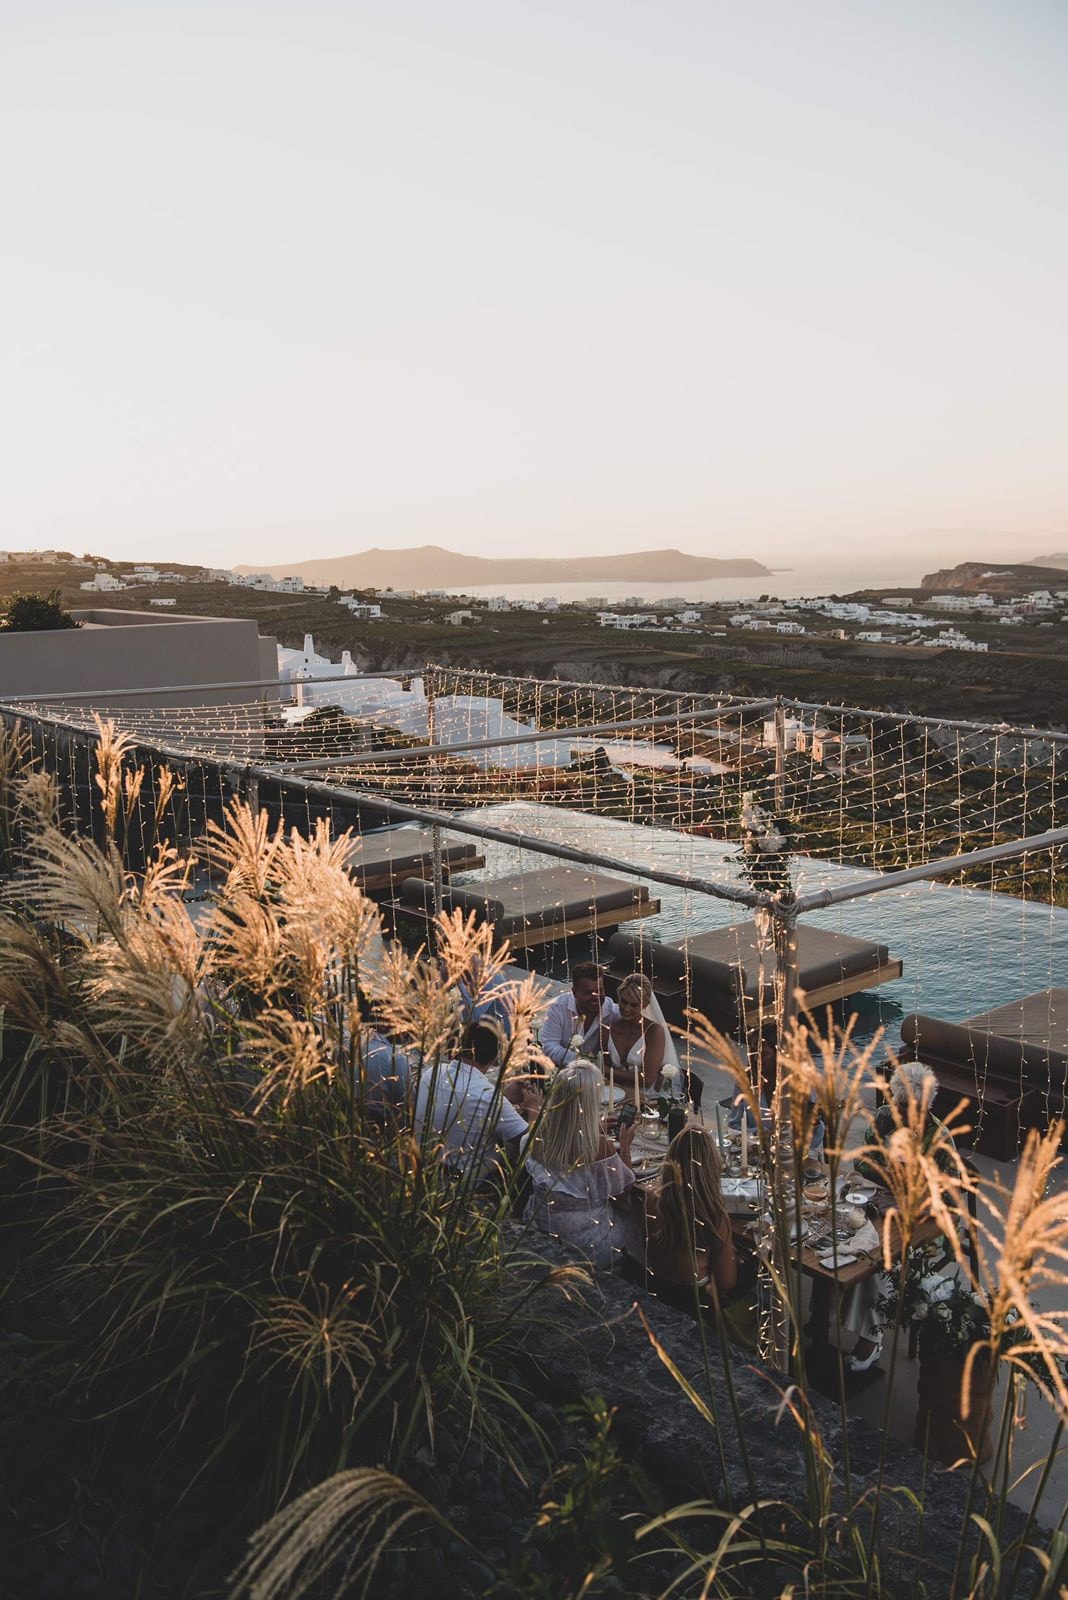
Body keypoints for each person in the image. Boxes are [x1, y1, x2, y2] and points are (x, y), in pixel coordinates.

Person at [842, 1062, 957, 1372]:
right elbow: (863, 1163)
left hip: (926, 1223)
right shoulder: (884, 1120)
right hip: (881, 1205)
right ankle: (830, 1308)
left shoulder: (939, 1139)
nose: (903, 1114)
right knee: (847, 1237)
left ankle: (871, 1337)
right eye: (900, 1105)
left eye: (912, 1108)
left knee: (878, 1259)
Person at [523, 1061, 636, 1267]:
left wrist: (591, 1127)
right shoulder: (600, 1146)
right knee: (639, 1216)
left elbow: (564, 1132)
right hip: (586, 1242)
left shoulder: (537, 1132)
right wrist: (625, 1147)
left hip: (542, 1224)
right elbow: (623, 1190)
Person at [414, 1022, 540, 1186]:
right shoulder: (487, 1096)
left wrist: (504, 1097)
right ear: (495, 1058)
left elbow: (471, 1106)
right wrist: (533, 1109)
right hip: (465, 1183)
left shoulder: (432, 1072)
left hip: (422, 1172)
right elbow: (531, 1145)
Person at [640, 1126, 739, 1309]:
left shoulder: (653, 1200)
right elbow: (726, 1283)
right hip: (697, 1307)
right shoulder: (715, 1217)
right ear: (710, 1169)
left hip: (658, 1297)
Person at [602, 972, 684, 1096]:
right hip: (614, 1091)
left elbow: (647, 1080)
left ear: (644, 1005)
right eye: (623, 1001)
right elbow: (604, 1066)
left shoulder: (654, 1032)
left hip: (646, 1096)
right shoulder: (607, 1028)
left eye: (634, 1005)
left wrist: (607, 1071)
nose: (627, 1008)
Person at [539, 961, 619, 1068]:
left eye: (599, 991)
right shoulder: (557, 1007)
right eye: (588, 993)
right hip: (563, 1070)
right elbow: (548, 1046)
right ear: (574, 992)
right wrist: (583, 1061)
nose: (596, 997)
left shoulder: (613, 1012)